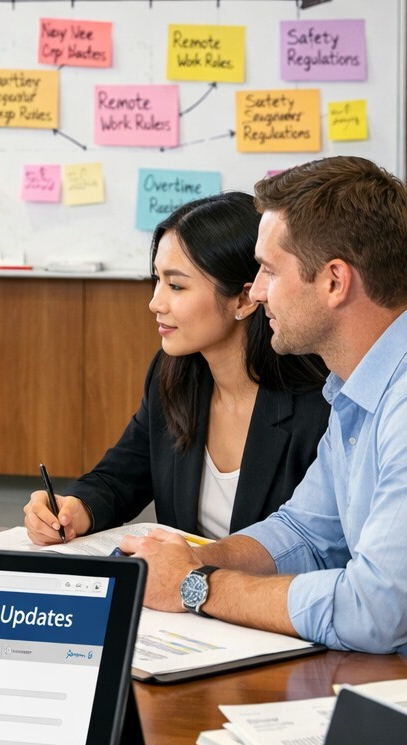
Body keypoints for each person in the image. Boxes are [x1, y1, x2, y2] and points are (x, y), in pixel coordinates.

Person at [120, 156, 407, 654]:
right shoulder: (354, 391)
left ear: (334, 281)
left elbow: (375, 610)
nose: (255, 291)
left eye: (270, 271)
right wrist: (199, 560)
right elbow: (305, 531)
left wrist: (199, 587)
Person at [25, 191, 329, 545]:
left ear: (245, 299)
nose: (155, 302)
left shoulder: (317, 400)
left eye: (176, 285)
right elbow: (119, 479)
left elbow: (315, 547)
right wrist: (74, 508)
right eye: (156, 280)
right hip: (177, 597)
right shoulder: (173, 374)